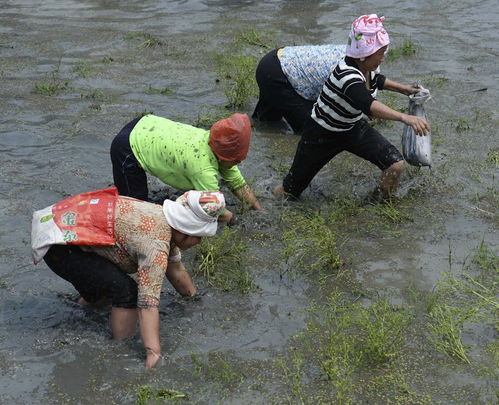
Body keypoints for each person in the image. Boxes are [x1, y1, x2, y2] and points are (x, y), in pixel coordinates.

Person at [32, 188, 228, 368]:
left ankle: (79, 310)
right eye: (198, 235)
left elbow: (175, 268)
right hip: (61, 244)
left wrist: (193, 298)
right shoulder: (155, 245)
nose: (200, 241)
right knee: (127, 293)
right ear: (185, 229)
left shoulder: (161, 218)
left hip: (61, 226)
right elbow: (147, 304)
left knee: (104, 288)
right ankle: (119, 349)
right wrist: (154, 353)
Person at [273, 14, 431, 200]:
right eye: (380, 54)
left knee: (394, 164)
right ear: (364, 55)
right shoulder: (346, 75)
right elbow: (369, 106)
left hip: (352, 127)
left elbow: (377, 81)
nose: (382, 58)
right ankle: (270, 201)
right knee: (290, 190)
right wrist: (405, 117)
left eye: (384, 53)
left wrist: (404, 89)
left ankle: (380, 202)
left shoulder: (368, 68)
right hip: (321, 134)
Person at [110, 113, 263, 216]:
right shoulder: (203, 169)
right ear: (225, 156)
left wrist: (258, 209)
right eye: (237, 160)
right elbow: (215, 209)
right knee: (135, 208)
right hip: (127, 147)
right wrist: (234, 220)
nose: (239, 162)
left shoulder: (216, 142)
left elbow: (237, 183)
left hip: (146, 124)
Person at [252, 44, 346, 133]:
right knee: (311, 131)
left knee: (266, 123)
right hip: (279, 76)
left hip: (276, 59)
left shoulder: (352, 52)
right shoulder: (349, 74)